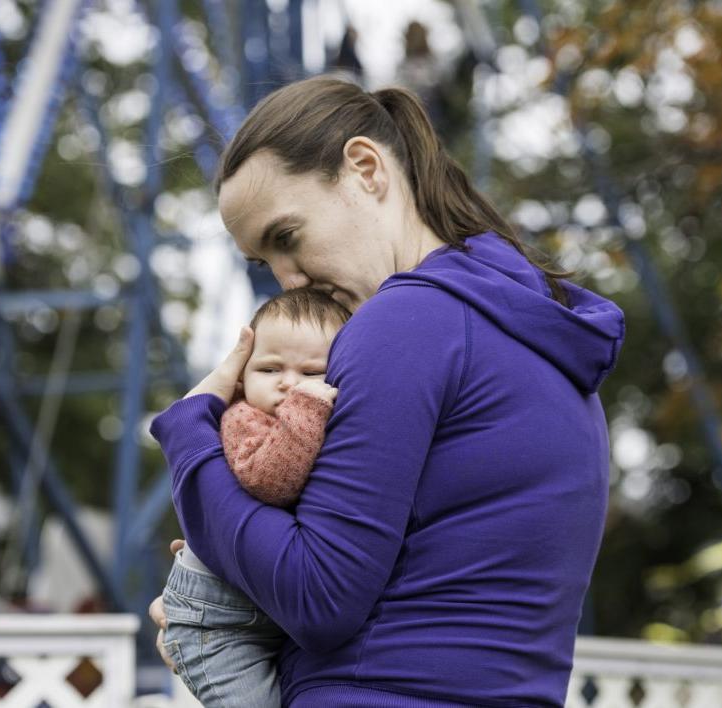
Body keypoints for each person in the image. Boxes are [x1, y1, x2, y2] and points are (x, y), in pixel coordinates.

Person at [149, 75, 625, 707]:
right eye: (266, 263)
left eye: (286, 237)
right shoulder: (534, 331)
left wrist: (188, 433)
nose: (288, 283)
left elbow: (316, 597)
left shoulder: (406, 323)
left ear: (365, 168)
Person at [161, 287, 349, 707]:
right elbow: (270, 481)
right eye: (269, 369)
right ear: (243, 378)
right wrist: (307, 406)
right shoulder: (244, 418)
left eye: (312, 371)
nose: (288, 384)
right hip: (219, 624)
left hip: (275, 615)